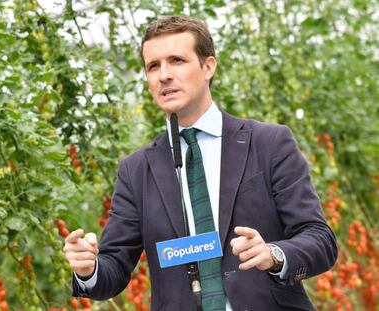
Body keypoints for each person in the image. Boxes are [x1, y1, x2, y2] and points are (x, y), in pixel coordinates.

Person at [63, 15, 337, 310]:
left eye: (177, 60)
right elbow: (113, 269)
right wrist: (88, 269)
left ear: (208, 67)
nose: (164, 75)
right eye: (153, 66)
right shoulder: (136, 170)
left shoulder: (269, 143)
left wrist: (274, 254)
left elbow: (320, 240)